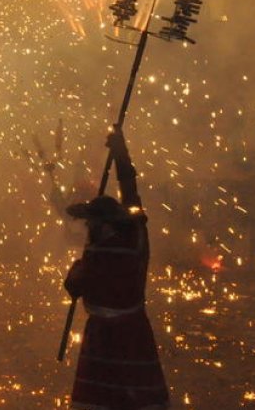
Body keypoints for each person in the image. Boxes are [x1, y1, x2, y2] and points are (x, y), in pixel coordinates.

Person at [63, 129, 169, 410]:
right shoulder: (120, 238)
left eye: (92, 222)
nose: (89, 227)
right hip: (110, 334)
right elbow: (74, 286)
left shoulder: (131, 239)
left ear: (104, 223)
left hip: (125, 334)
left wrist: (122, 157)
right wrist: (121, 155)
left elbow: (74, 285)